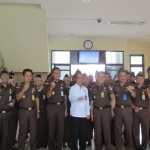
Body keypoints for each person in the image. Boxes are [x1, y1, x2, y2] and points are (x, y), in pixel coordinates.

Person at [90, 71, 115, 150]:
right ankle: (98, 147)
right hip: (96, 111)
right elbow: (91, 102)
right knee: (97, 130)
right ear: (96, 77)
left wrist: (112, 110)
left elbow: (113, 97)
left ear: (104, 78)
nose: (101, 78)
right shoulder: (92, 88)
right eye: (99, 77)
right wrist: (92, 113)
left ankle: (108, 147)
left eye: (103, 77)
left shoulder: (108, 87)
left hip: (106, 110)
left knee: (107, 130)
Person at [16, 69, 40, 150]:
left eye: (30, 76)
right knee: (23, 131)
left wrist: (38, 110)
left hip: (33, 111)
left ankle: (33, 147)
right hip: (23, 111)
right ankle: (20, 147)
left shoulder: (34, 86)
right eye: (27, 75)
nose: (29, 77)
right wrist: (23, 89)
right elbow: (17, 98)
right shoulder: (19, 86)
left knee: (33, 131)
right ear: (23, 76)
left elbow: (37, 99)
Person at [113, 69, 136, 150]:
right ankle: (118, 147)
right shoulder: (115, 86)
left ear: (127, 77)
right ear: (118, 77)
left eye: (124, 76)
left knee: (128, 129)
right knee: (118, 130)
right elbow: (112, 98)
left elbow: (134, 96)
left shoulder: (131, 85)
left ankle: (129, 147)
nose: (123, 78)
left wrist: (131, 91)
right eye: (121, 76)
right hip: (118, 109)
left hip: (128, 110)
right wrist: (112, 109)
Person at [46, 67, 68, 150]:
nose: (57, 75)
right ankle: (51, 147)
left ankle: (59, 147)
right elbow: (48, 96)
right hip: (51, 107)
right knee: (51, 128)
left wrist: (65, 109)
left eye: (59, 73)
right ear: (52, 74)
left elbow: (65, 96)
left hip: (61, 107)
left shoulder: (62, 83)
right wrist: (51, 87)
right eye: (55, 73)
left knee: (60, 129)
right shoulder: (48, 83)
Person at [69, 72, 90, 150]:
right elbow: (70, 98)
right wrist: (78, 98)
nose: (81, 79)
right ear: (76, 79)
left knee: (83, 134)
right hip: (75, 114)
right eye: (79, 78)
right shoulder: (72, 88)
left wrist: (88, 112)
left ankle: (82, 148)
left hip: (84, 115)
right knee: (74, 134)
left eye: (82, 78)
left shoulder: (85, 89)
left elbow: (87, 101)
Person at [132, 72, 150, 150]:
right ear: (136, 79)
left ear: (144, 79)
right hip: (135, 111)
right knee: (135, 129)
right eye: (138, 78)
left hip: (145, 111)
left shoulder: (147, 87)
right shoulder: (133, 88)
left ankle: (144, 145)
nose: (139, 80)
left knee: (145, 129)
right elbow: (129, 100)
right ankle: (136, 145)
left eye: (141, 78)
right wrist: (133, 107)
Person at [0, 69, 15, 150]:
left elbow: (14, 97)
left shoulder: (11, 88)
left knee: (6, 133)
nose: (5, 77)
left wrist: (13, 102)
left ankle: (4, 147)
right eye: (3, 75)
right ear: (1, 77)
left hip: (8, 113)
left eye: (6, 75)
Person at [35, 74, 48, 149]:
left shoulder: (44, 90)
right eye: (38, 81)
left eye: (40, 81)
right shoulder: (34, 89)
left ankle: (44, 143)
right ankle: (38, 143)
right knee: (37, 128)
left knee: (44, 127)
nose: (39, 82)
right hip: (36, 111)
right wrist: (39, 90)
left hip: (44, 111)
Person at [9, 71, 19, 149]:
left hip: (15, 112)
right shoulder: (6, 88)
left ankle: (12, 142)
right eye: (10, 78)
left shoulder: (16, 88)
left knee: (13, 129)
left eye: (13, 78)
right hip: (6, 112)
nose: (12, 80)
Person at [82, 73, 93, 146]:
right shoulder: (80, 88)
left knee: (89, 126)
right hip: (81, 110)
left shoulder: (91, 88)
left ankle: (89, 140)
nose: (86, 80)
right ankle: (82, 140)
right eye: (84, 79)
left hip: (89, 109)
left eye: (87, 79)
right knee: (82, 126)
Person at [63, 74, 71, 148]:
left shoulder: (72, 89)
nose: (66, 82)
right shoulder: (62, 89)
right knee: (64, 126)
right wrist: (65, 109)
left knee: (70, 126)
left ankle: (69, 141)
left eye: (68, 81)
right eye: (65, 81)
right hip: (63, 109)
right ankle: (64, 141)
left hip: (71, 109)